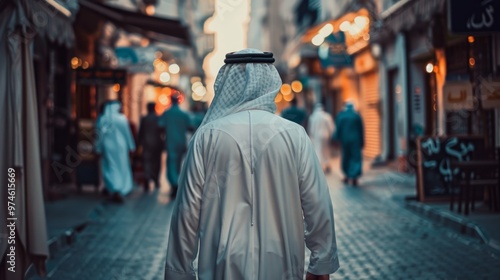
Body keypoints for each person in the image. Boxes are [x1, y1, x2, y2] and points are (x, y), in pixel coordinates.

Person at [164, 49, 339, 280]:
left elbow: (186, 213)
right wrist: (321, 262)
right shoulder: (294, 135)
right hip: (283, 263)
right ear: (269, 83)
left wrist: (179, 272)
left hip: (221, 266)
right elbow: (317, 203)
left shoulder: (206, 137)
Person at [95, 101, 136, 203]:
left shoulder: (102, 119)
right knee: (121, 168)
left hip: (108, 148)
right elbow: (127, 134)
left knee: (110, 167)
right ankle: (118, 189)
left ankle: (114, 188)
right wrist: (131, 146)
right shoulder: (121, 119)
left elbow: (98, 136)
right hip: (121, 148)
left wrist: (98, 148)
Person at [158, 94, 192, 198]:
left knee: (172, 163)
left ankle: (174, 183)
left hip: (171, 142)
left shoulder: (167, 113)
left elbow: (160, 126)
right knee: (178, 164)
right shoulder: (184, 114)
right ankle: (176, 182)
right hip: (181, 142)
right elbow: (190, 127)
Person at [332, 101, 364, 186]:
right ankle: (354, 176)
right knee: (356, 157)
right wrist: (362, 142)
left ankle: (346, 175)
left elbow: (338, 129)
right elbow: (361, 130)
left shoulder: (341, 116)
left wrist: (335, 139)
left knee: (346, 157)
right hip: (355, 140)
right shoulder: (356, 116)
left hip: (344, 140)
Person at [137, 102, 164, 192]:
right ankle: (155, 179)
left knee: (147, 162)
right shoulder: (158, 118)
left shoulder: (144, 119)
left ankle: (147, 179)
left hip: (147, 144)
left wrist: (138, 144)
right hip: (157, 144)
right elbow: (162, 131)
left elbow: (140, 133)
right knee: (156, 163)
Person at [308, 98, 335, 173]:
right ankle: (326, 164)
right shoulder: (327, 116)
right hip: (326, 136)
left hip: (316, 136)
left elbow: (311, 129)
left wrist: (311, 137)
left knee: (318, 150)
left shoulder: (312, 117)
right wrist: (332, 135)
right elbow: (331, 127)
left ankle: (320, 167)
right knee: (326, 150)